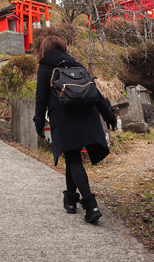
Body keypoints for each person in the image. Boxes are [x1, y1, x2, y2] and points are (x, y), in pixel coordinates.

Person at [33, 34, 117, 223]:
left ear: (44, 50)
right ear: (63, 47)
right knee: (73, 157)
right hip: (87, 116)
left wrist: (39, 122)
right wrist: (109, 115)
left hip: (64, 118)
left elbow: (41, 98)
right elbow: (95, 91)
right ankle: (70, 199)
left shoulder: (46, 67)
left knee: (72, 157)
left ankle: (90, 204)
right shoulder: (77, 65)